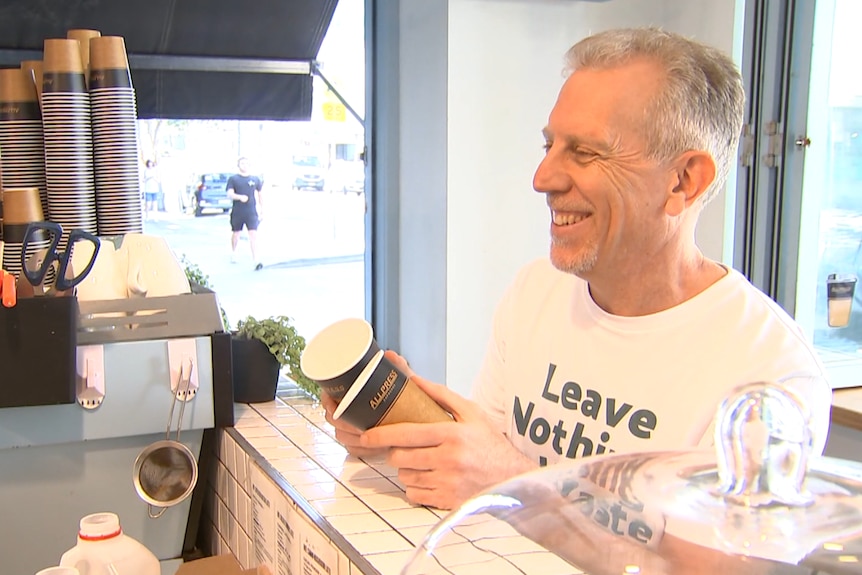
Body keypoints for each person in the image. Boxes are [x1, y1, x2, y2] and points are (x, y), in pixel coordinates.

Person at [321, 26, 832, 570]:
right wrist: (395, 434)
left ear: (684, 181)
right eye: (550, 145)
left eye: (586, 153)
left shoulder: (771, 378)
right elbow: (480, 463)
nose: (543, 178)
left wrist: (515, 484)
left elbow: (708, 569)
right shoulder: (534, 294)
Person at [226, 156, 264, 270]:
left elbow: (261, 194)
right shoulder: (233, 179)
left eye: (246, 163)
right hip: (238, 211)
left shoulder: (255, 179)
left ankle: (255, 259)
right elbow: (229, 194)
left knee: (253, 235)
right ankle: (234, 252)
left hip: (251, 211)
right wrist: (239, 197)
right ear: (238, 165)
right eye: (242, 163)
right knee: (236, 233)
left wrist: (262, 210)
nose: (244, 165)